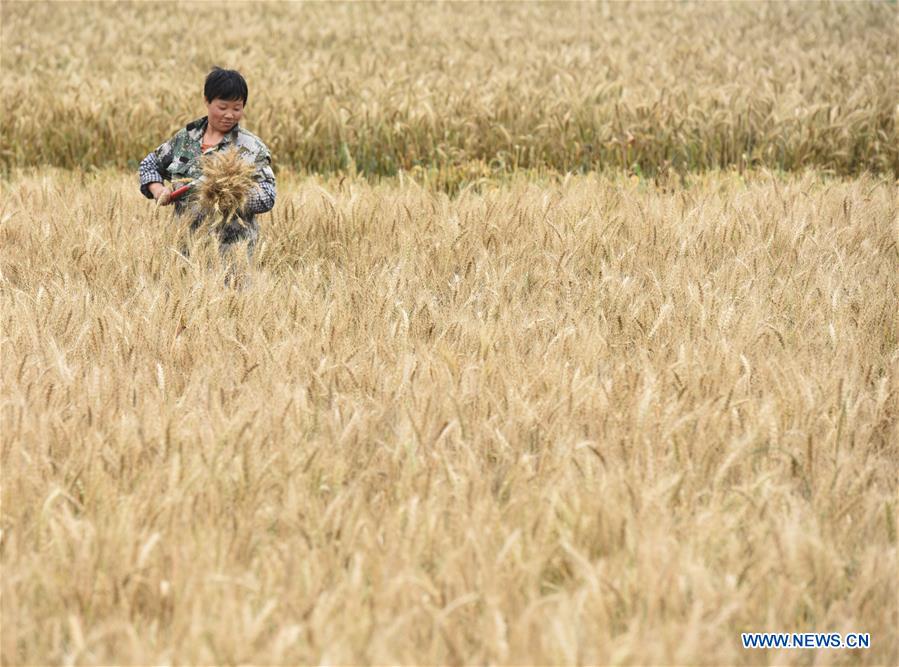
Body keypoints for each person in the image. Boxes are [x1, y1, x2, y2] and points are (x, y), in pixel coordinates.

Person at [138, 67, 275, 262]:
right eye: (222, 107)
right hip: (183, 252)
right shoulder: (185, 139)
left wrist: (230, 193)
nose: (230, 115)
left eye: (237, 108)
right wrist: (158, 190)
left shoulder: (251, 148)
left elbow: (268, 197)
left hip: (232, 256)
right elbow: (149, 165)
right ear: (207, 101)